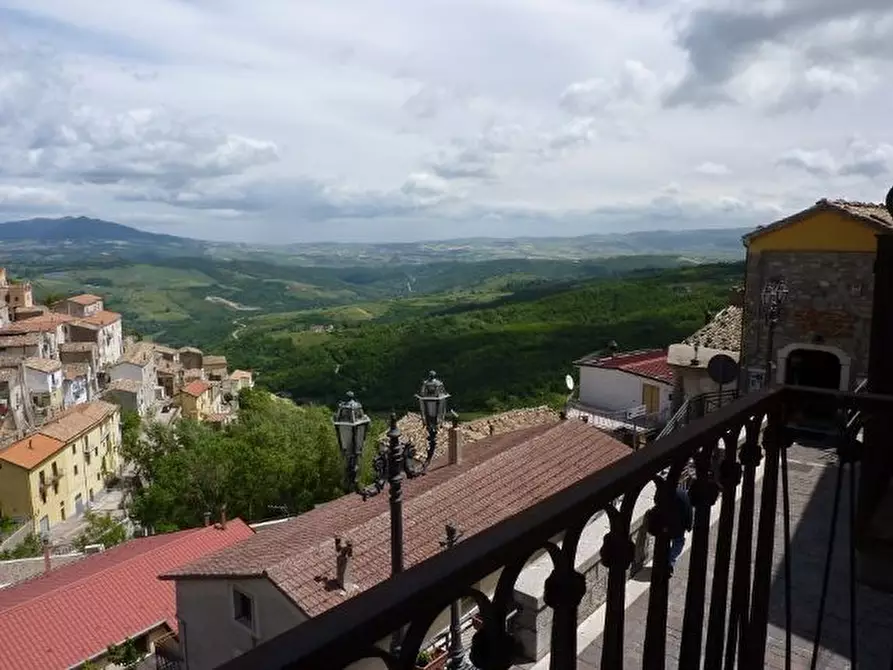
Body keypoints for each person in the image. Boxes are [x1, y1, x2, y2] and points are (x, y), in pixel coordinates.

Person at [668, 486, 694, 577]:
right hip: (679, 526)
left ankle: (667, 561)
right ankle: (669, 561)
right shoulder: (683, 494)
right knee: (678, 544)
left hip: (667, 526)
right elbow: (689, 510)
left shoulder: (664, 492)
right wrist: (689, 525)